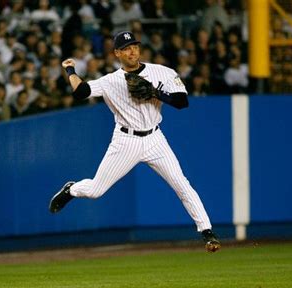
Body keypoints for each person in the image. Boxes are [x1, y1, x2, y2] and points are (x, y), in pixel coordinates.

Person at [49, 31, 220, 253]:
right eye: (127, 48)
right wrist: (70, 69)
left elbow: (182, 102)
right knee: (95, 191)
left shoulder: (162, 72)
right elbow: (81, 92)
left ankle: (207, 232)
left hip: (155, 139)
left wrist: (157, 93)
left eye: (135, 46)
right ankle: (71, 189)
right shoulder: (110, 81)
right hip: (125, 140)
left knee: (182, 184)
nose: (133, 51)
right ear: (117, 53)